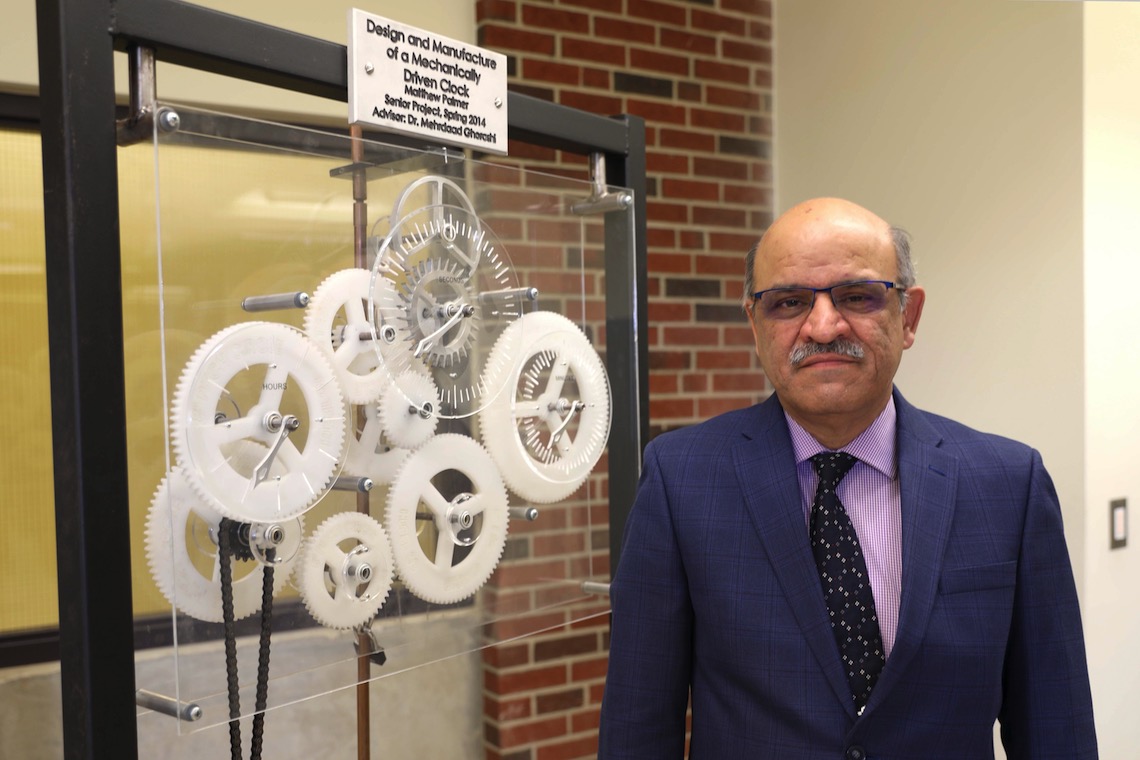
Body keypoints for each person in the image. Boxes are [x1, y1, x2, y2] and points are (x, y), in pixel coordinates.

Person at [597, 198, 1097, 759]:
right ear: (755, 326)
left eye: (856, 296)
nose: (823, 325)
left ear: (908, 317)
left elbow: (1057, 727)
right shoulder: (681, 480)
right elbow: (638, 727)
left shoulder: (1008, 485)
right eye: (788, 302)